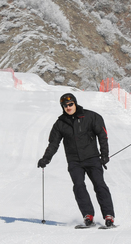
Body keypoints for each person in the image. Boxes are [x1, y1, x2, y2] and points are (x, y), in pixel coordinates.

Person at [37, 93, 115, 227]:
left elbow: (102, 135)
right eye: (65, 105)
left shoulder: (91, 117)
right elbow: (53, 144)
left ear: (75, 103)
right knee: (78, 186)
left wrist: (104, 154)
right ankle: (88, 215)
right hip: (74, 161)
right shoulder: (60, 123)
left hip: (92, 158)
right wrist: (46, 159)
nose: (68, 107)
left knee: (99, 184)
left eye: (70, 104)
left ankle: (109, 215)